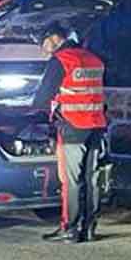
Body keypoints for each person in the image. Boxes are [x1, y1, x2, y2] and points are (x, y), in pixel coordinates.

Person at [39, 23, 109, 243]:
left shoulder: (60, 60)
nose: (43, 49)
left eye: (43, 43)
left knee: (70, 180)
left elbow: (42, 98)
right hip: (97, 126)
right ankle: (88, 228)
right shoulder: (95, 59)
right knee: (91, 178)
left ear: (54, 38)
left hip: (73, 127)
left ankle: (69, 228)